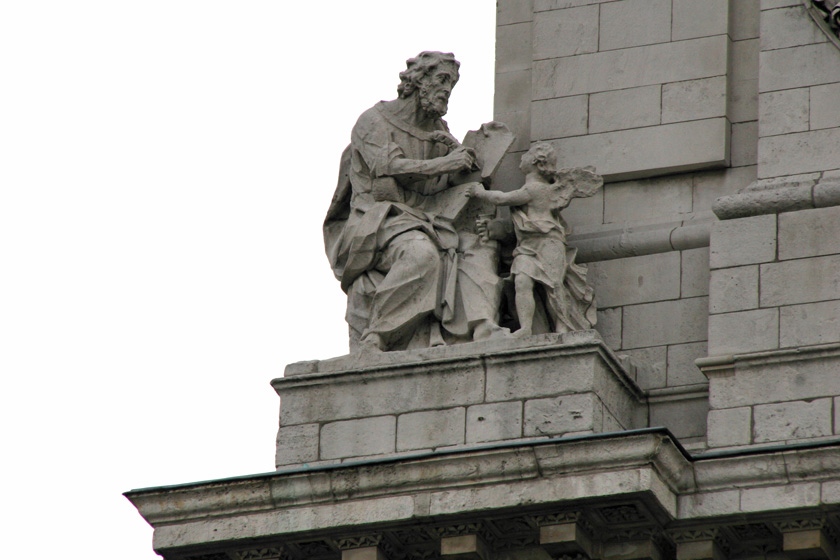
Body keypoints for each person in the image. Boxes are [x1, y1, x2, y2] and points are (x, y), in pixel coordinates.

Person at [324, 52, 507, 352]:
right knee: (421, 254)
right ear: (418, 80)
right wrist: (447, 164)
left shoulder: (439, 129)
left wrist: (468, 162)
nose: (447, 89)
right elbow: (388, 167)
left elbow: (445, 183)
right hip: (377, 220)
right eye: (442, 80)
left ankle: (483, 326)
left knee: (478, 242)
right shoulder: (373, 121)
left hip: (426, 218)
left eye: (452, 83)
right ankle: (377, 335)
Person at [466, 142, 600, 337]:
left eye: (527, 154)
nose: (521, 157)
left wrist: (480, 193)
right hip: (527, 247)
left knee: (553, 287)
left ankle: (563, 326)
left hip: (548, 243)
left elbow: (502, 199)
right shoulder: (534, 189)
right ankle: (526, 328)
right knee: (522, 281)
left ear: (537, 162)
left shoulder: (535, 190)